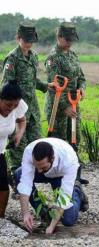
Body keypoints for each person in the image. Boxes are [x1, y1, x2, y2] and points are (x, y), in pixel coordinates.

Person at [1, 22, 50, 183]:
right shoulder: (12, 58)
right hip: (16, 107)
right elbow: (7, 85)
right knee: (17, 144)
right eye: (25, 40)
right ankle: (16, 179)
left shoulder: (33, 56)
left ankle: (35, 174)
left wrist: (46, 86)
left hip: (33, 107)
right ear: (18, 38)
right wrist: (13, 106)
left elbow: (32, 80)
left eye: (31, 40)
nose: (28, 43)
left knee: (36, 140)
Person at [15, 138, 88, 234]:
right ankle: (45, 213)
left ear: (52, 158)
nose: (39, 171)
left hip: (60, 177)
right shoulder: (29, 151)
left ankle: (77, 190)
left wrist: (52, 226)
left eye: (43, 167)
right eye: (37, 166)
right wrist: (25, 213)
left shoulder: (69, 160)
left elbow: (64, 197)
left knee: (68, 220)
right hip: (45, 175)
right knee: (19, 173)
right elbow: (25, 184)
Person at [44, 22, 88, 184]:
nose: (69, 42)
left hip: (74, 103)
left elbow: (81, 77)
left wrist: (82, 88)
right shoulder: (53, 58)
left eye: (72, 39)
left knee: (75, 138)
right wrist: (65, 107)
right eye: (66, 39)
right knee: (59, 141)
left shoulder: (72, 55)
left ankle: (75, 174)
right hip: (59, 107)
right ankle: (58, 176)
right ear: (59, 37)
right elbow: (54, 86)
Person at [0, 81, 27, 217]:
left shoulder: (18, 105)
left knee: (3, 185)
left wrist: (18, 135)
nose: (11, 108)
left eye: (14, 105)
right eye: (8, 104)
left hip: (0, 151)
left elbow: (22, 121)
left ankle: (1, 217)